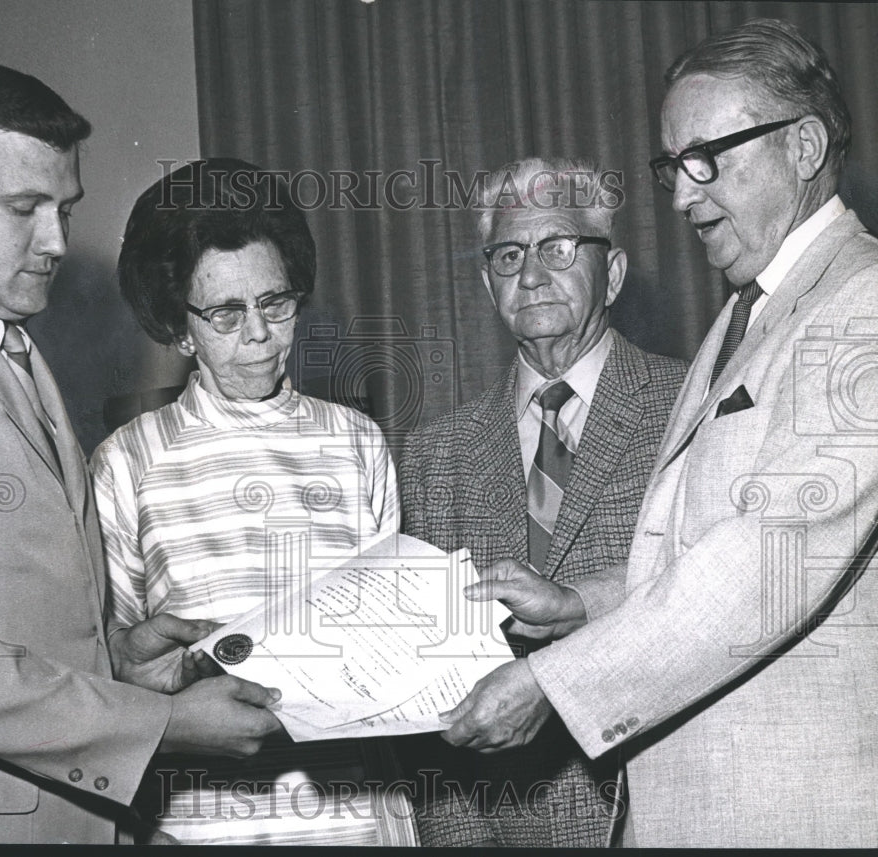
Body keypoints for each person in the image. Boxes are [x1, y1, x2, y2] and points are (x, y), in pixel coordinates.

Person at [443, 18, 878, 848]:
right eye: (673, 166)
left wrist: (553, 681)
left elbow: (767, 560)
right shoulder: (745, 315)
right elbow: (694, 552)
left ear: (806, 144)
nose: (681, 196)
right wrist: (581, 603)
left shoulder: (861, 305)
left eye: (708, 159)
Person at [0, 63, 283, 845]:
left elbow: (19, 614)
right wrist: (157, 722)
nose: (58, 241)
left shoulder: (5, 344)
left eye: (64, 209)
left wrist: (121, 661)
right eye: (25, 208)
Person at [90, 158, 410, 846]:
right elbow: (112, 664)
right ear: (180, 328)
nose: (259, 334)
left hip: (352, 807)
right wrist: (152, 680)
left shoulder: (356, 439)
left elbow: (396, 638)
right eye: (226, 313)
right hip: (199, 819)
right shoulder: (127, 460)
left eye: (275, 302)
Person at [395, 158, 688, 847]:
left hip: (659, 815)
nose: (530, 275)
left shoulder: (691, 408)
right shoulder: (434, 454)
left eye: (558, 247)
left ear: (611, 273)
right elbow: (429, 706)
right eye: (508, 254)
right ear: (486, 279)